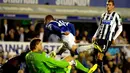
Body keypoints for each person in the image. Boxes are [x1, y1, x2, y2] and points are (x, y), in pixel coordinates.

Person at [25, 38, 98, 73]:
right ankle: (87, 71)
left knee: (68, 58)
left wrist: (50, 56)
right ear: (36, 45)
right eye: (40, 44)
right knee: (71, 60)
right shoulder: (41, 55)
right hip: (52, 71)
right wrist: (68, 64)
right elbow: (55, 63)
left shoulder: (28, 55)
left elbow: (42, 63)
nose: (42, 45)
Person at [92, 0, 123, 73]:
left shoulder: (116, 15)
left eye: (109, 5)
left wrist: (114, 38)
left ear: (113, 6)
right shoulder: (103, 15)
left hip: (108, 39)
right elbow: (99, 27)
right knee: (98, 57)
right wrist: (94, 36)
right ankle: (99, 70)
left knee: (100, 55)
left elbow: (120, 28)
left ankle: (98, 71)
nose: (108, 6)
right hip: (100, 38)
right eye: (107, 5)